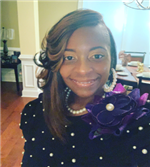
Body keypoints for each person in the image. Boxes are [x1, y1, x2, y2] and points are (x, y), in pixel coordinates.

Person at [20, 9, 150, 167]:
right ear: (55, 63)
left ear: (111, 60)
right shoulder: (34, 113)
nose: (83, 70)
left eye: (97, 56)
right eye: (69, 58)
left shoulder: (139, 124)